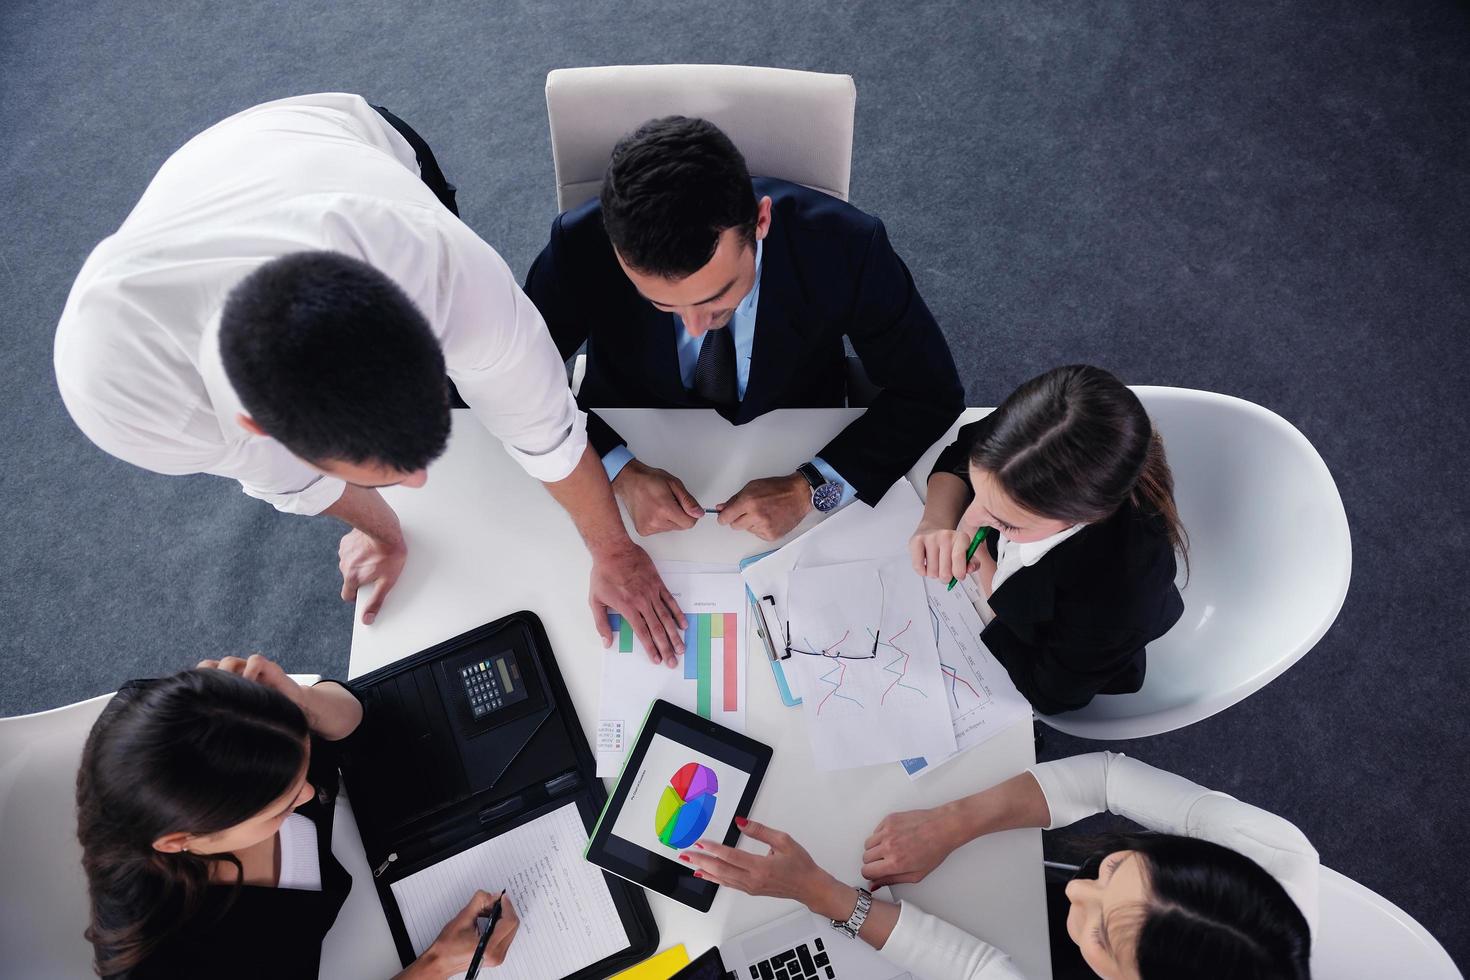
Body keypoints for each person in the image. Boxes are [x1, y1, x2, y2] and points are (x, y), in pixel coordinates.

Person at [54, 93, 686, 667]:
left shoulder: (446, 273)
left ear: (421, 330)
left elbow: (545, 429)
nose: (419, 481)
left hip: (331, 138)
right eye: (390, 463)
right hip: (211, 190)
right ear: (258, 426)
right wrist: (381, 529)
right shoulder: (123, 404)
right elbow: (282, 476)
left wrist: (614, 551)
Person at [524, 116, 964, 542]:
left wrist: (810, 487)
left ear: (761, 221)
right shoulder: (578, 245)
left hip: (796, 430)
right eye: (661, 303)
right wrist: (616, 470)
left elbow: (929, 392)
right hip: (632, 427)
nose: (694, 328)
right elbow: (516, 387)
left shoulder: (847, 246)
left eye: (716, 296)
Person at [680, 752, 1316, 980]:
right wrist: (957, 821)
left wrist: (823, 894)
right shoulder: (1276, 854)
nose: (1077, 897)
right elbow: (1104, 778)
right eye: (1115, 868)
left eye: (1101, 933)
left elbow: (978, 971)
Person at [76, 655, 519, 979]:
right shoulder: (180, 962)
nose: (310, 793)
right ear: (179, 841)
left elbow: (359, 715)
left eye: (302, 770)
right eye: (282, 805)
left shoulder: (186, 720)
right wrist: (439, 962)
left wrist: (302, 702)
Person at [909, 364, 1187, 713]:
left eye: (1006, 523)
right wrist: (935, 522)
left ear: (1084, 516)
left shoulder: (1118, 596)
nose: (972, 518)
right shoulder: (1035, 433)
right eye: (978, 492)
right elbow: (961, 452)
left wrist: (987, 574)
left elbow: (1051, 695)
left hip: (1064, 648)